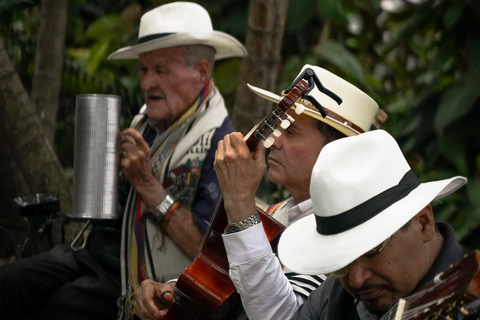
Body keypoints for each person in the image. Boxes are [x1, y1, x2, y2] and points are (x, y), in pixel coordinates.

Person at [0, 2, 246, 320]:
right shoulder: (148, 119)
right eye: (143, 70)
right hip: (95, 253)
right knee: (9, 281)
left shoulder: (220, 143)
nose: (146, 84)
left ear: (200, 73)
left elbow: (206, 250)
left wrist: (146, 183)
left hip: (140, 278)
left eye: (161, 70)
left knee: (53, 307)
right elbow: (105, 213)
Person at [132, 64, 381, 320]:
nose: (275, 139)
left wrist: (240, 205)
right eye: (278, 127)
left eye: (291, 132)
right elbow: (220, 283)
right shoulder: (276, 213)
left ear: (337, 149)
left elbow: (284, 316)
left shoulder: (343, 232)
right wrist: (176, 292)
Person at [277, 129, 469, 319]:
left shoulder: (469, 302)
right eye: (340, 263)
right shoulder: (336, 292)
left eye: (371, 252)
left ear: (423, 223)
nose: (356, 280)